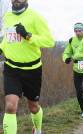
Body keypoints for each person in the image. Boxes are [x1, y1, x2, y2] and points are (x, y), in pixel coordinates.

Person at [0, 0, 55, 134]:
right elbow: (7, 40)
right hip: (11, 68)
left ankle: (38, 129)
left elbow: (49, 41)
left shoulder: (35, 17)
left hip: (32, 70)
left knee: (33, 107)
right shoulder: (7, 16)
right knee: (10, 106)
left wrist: (28, 35)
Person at [62, 23, 83, 120]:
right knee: (78, 92)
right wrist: (66, 58)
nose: (78, 33)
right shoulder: (72, 40)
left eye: (80, 31)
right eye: (76, 31)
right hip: (76, 69)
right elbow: (67, 52)